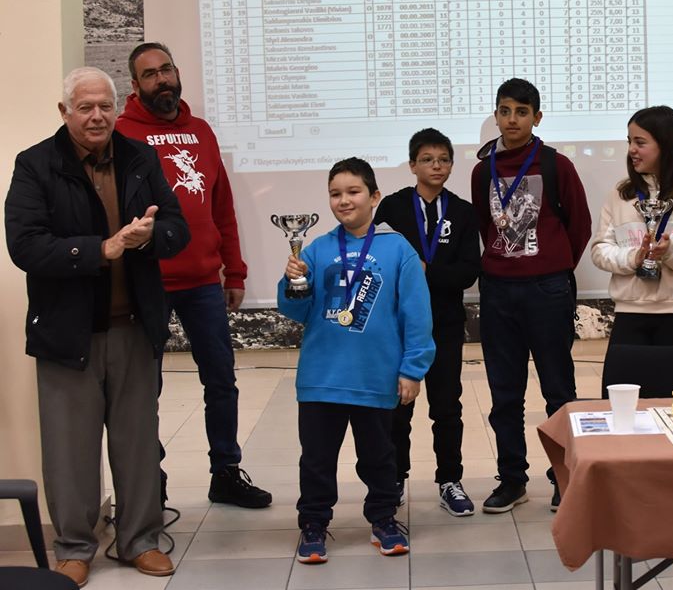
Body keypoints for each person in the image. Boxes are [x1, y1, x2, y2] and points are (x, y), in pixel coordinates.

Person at [4, 67, 190, 586]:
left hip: (134, 328)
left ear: (117, 107)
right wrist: (99, 250)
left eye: (105, 106)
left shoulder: (140, 157)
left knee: (137, 442)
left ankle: (140, 540)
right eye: (84, 107)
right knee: (69, 449)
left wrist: (151, 236)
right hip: (67, 334)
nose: (96, 116)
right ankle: (74, 547)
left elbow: (177, 227)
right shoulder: (36, 164)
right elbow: (25, 245)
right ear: (64, 112)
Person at [116, 42, 271, 508]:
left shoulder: (201, 131)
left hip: (203, 281)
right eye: (150, 74)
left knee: (221, 380)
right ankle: (151, 479)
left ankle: (225, 472)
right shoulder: (122, 134)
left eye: (166, 69)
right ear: (135, 85)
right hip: (148, 283)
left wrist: (235, 271)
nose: (161, 79)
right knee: (146, 387)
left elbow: (222, 207)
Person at [279, 157, 435, 563]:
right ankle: (313, 524)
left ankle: (383, 518)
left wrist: (412, 369)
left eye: (353, 191)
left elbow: (416, 314)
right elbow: (297, 310)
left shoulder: (397, 249)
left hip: (375, 377)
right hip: (321, 378)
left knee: (379, 457)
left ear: (374, 196)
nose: (344, 200)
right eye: (335, 194)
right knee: (317, 460)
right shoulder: (317, 249)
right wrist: (294, 281)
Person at [470, 78, 592, 513]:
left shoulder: (557, 165)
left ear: (537, 117)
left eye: (522, 112)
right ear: (496, 115)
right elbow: (485, 224)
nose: (512, 119)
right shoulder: (482, 171)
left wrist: (552, 266)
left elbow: (579, 226)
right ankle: (512, 479)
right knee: (505, 393)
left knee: (558, 390)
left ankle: (564, 476)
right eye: (505, 111)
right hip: (498, 290)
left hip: (547, 289)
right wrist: (507, 263)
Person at [374, 128, 482, 516]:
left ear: (451, 165)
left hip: (445, 323)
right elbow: (379, 260)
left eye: (443, 159)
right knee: (397, 405)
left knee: (446, 405)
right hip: (399, 325)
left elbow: (468, 271)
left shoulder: (463, 212)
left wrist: (426, 271)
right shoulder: (392, 207)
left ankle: (449, 479)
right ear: (412, 165)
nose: (436, 166)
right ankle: (394, 478)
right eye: (427, 159)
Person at [591, 106, 673, 352]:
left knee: (672, 378)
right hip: (629, 310)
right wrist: (634, 257)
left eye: (640, 142)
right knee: (622, 378)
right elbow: (599, 251)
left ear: (667, 146)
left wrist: (671, 252)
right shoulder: (620, 195)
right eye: (629, 141)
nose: (631, 150)